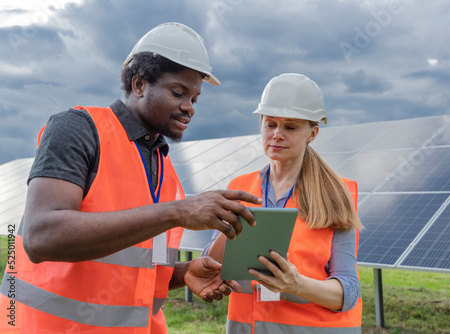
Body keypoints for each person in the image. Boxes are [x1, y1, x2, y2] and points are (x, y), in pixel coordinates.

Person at [0, 22, 262, 333]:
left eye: (195, 98)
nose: (189, 108)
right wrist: (179, 212)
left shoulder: (167, 176)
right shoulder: (79, 129)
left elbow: (139, 268)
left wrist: (184, 272)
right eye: (178, 92)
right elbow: (40, 237)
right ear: (139, 85)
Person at [203, 73, 363, 333]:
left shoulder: (337, 193)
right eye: (270, 124)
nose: (277, 134)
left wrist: (296, 285)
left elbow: (348, 291)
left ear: (312, 133)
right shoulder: (239, 189)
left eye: (290, 127)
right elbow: (210, 264)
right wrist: (231, 224)